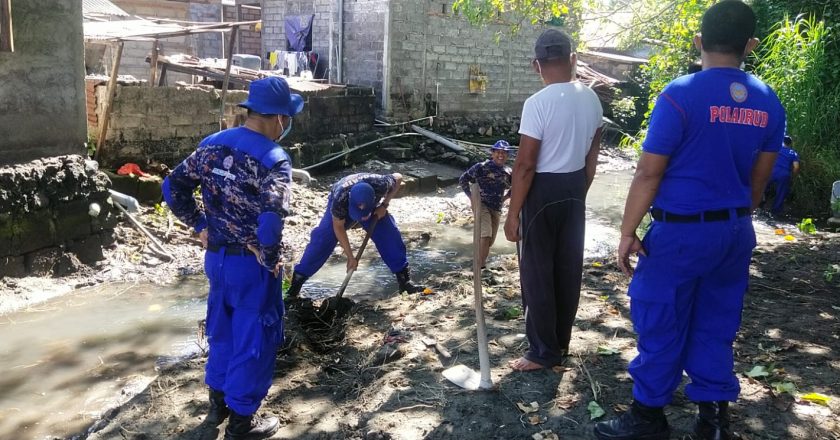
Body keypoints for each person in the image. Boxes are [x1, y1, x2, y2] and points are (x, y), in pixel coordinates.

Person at [594, 2, 786, 439]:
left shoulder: (680, 94)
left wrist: (627, 232)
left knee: (661, 316)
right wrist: (732, 215)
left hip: (681, 233)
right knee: (717, 320)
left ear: (699, 41)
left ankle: (647, 418)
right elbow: (759, 184)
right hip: (735, 230)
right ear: (750, 46)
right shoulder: (767, 100)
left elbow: (648, 171)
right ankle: (713, 422)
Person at [163, 77, 303, 439]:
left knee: (221, 330)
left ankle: (216, 408)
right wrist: (269, 257)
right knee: (254, 338)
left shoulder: (211, 145)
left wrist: (199, 225)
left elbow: (172, 186)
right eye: (287, 118)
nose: (286, 125)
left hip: (217, 261)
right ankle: (242, 422)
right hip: (251, 266)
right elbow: (270, 222)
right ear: (277, 119)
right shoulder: (275, 159)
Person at [503, 29, 604, 372]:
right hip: (575, 187)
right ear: (573, 59)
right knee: (567, 269)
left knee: (537, 273)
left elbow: (525, 164)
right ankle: (560, 341)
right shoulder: (591, 99)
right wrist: (578, 194)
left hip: (543, 191)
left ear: (536, 66)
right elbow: (593, 158)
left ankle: (542, 353)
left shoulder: (538, 103)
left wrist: (513, 213)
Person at [285, 172, 424, 297]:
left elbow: (398, 177)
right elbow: (338, 227)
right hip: (343, 203)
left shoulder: (380, 183)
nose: (360, 219)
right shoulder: (340, 199)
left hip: (372, 209)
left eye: (363, 216)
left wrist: (384, 205)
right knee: (323, 238)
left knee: (388, 233)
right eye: (358, 216)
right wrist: (350, 257)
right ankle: (295, 286)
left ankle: (405, 282)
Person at [459, 139, 513, 269]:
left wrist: (505, 198)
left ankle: (479, 259)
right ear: (492, 153)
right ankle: (480, 266)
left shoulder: (508, 171)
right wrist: (471, 198)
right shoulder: (481, 167)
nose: (501, 155)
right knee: (486, 233)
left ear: (507, 155)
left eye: (504, 153)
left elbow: (516, 187)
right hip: (481, 204)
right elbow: (463, 180)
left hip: (496, 207)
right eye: (498, 152)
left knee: (490, 240)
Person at [765, 135, 800, 216]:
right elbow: (796, 167)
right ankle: (775, 212)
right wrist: (793, 175)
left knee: (762, 187)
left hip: (771, 172)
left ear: (782, 141)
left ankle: (760, 204)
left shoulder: (776, 148)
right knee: (781, 193)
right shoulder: (793, 153)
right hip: (784, 175)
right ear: (790, 144)